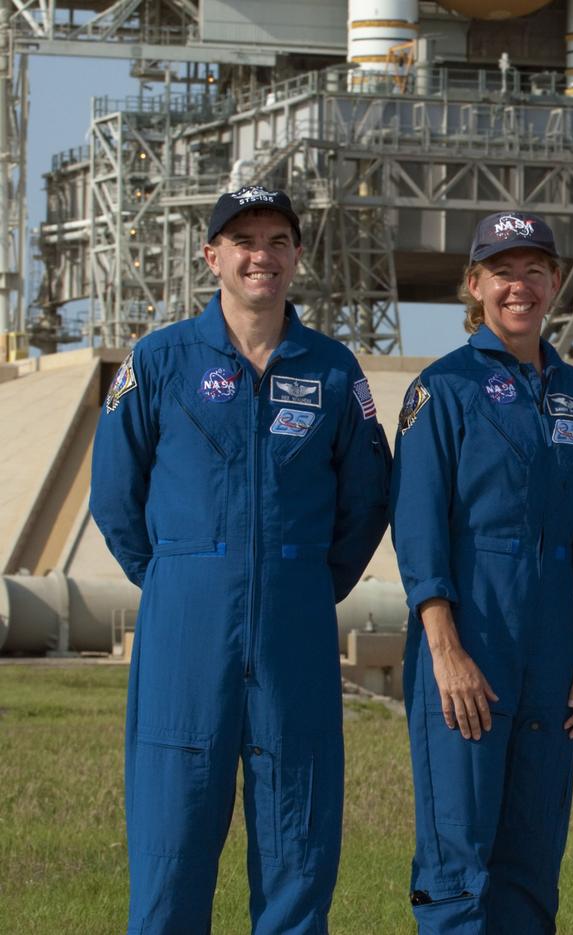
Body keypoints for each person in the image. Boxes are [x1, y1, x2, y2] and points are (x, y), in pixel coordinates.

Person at [90, 185, 391, 932]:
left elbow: (368, 497)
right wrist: (176, 575)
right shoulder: (159, 361)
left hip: (294, 630)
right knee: (171, 849)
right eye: (245, 240)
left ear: (296, 256)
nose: (262, 255)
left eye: (278, 241)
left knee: (298, 845)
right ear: (213, 256)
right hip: (185, 631)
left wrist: (305, 580)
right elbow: (114, 495)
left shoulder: (331, 370)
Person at [391, 210, 573, 932]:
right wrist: (445, 649)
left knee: (530, 864)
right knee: (457, 867)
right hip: (470, 642)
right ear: (474, 285)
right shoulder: (442, 389)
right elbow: (418, 525)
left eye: (533, 270)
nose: (518, 285)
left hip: (553, 651)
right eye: (501, 271)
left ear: (555, 282)